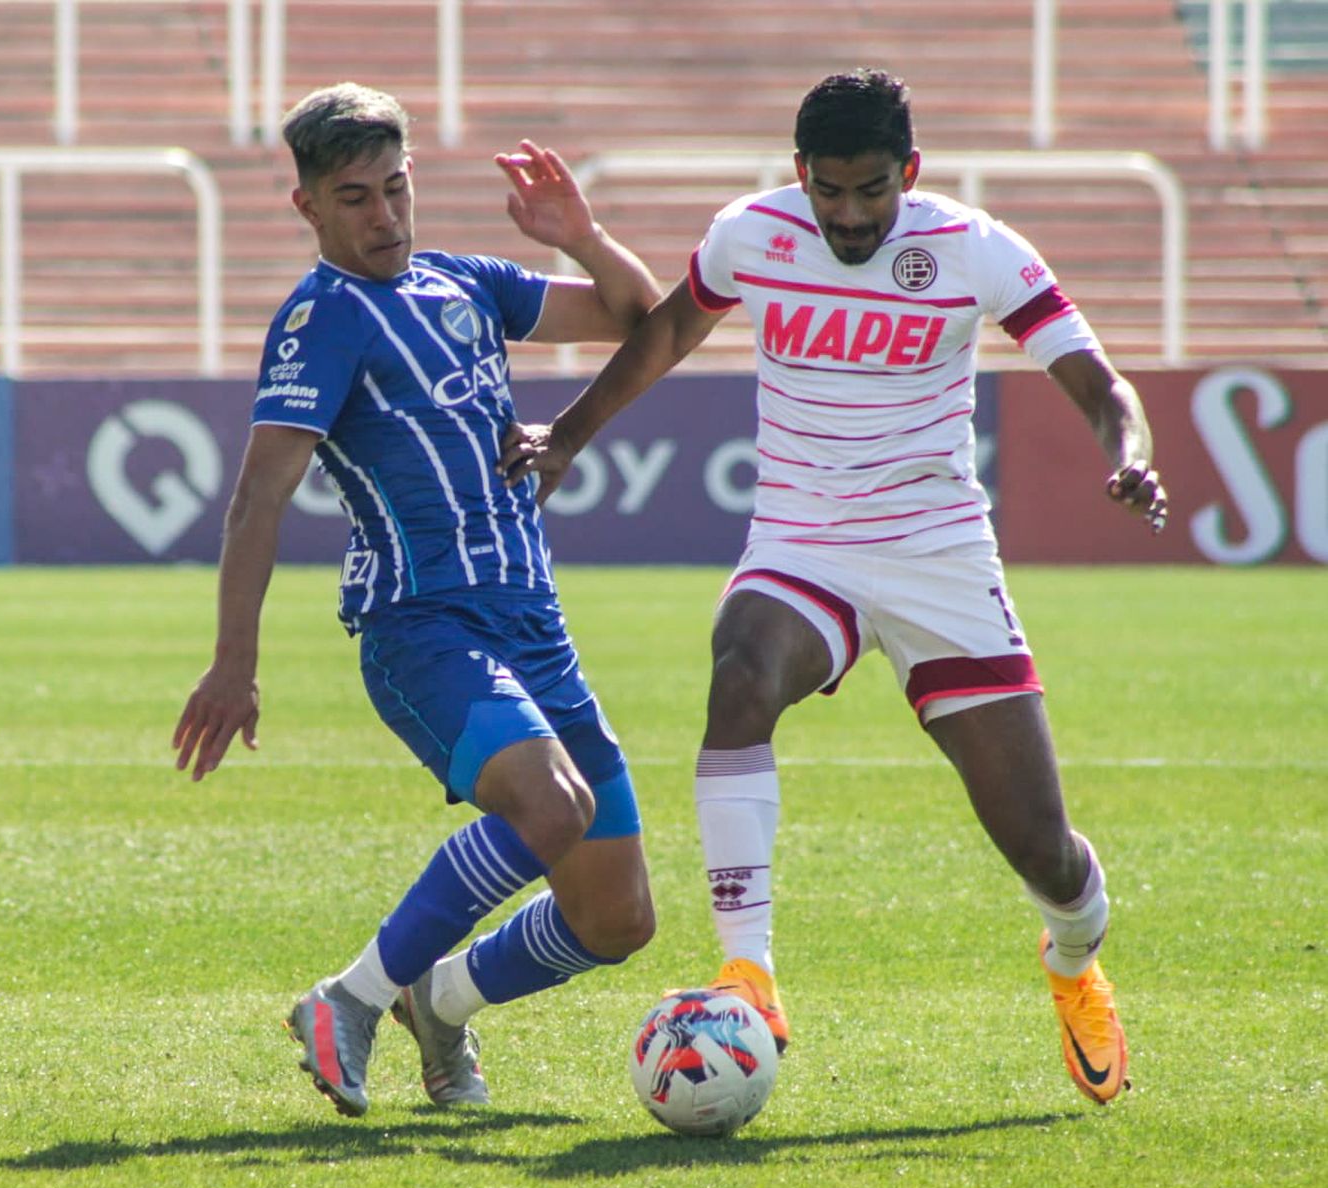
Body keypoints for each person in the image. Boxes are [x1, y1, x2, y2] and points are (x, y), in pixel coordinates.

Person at [499, 69, 1168, 1106]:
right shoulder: (752, 233)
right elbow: (669, 331)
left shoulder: (973, 249)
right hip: (802, 541)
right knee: (740, 666)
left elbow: (1096, 380)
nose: (850, 217)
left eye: (871, 193)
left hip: (936, 553)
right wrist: (568, 437)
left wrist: (1127, 453)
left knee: (1044, 850)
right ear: (799, 173)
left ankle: (1075, 960)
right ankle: (749, 973)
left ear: (910, 172)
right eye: (830, 193)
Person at [171, 83, 662, 1118]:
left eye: (396, 188)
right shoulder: (321, 320)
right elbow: (259, 498)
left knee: (617, 917)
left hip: (535, 624)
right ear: (307, 206)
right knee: (552, 804)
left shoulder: (464, 281)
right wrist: (233, 662)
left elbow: (638, 314)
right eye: (355, 197)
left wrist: (583, 234)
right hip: (421, 624)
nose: (386, 216)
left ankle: (441, 1001)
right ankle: (349, 999)